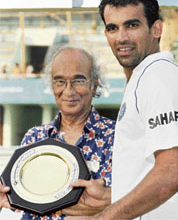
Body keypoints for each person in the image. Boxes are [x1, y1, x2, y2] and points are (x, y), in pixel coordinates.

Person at [67, 0, 178, 220]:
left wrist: (102, 219)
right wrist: (112, 196)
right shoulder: (144, 79)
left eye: (132, 25)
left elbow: (174, 172)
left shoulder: (159, 77)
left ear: (156, 29)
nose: (122, 37)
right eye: (112, 28)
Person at [0, 45, 115, 220]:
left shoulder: (117, 136)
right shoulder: (35, 137)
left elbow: (125, 203)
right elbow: (16, 200)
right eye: (60, 81)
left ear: (94, 84)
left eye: (78, 80)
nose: (68, 91)